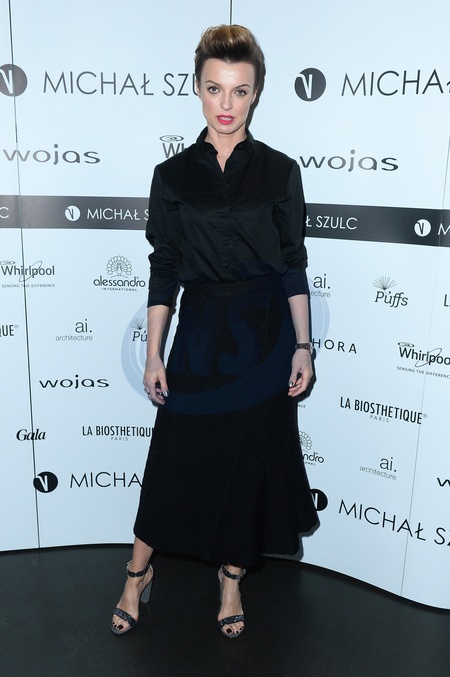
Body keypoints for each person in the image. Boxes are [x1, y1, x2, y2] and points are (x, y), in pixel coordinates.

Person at [111, 24, 319, 639]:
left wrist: (303, 345)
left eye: (240, 91)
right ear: (198, 88)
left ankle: (231, 579)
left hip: (264, 334)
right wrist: (153, 353)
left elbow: (292, 263)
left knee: (247, 462)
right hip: (200, 331)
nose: (226, 105)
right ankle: (136, 573)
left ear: (256, 93)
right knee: (173, 457)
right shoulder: (172, 175)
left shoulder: (280, 171)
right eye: (214, 89)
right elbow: (165, 267)